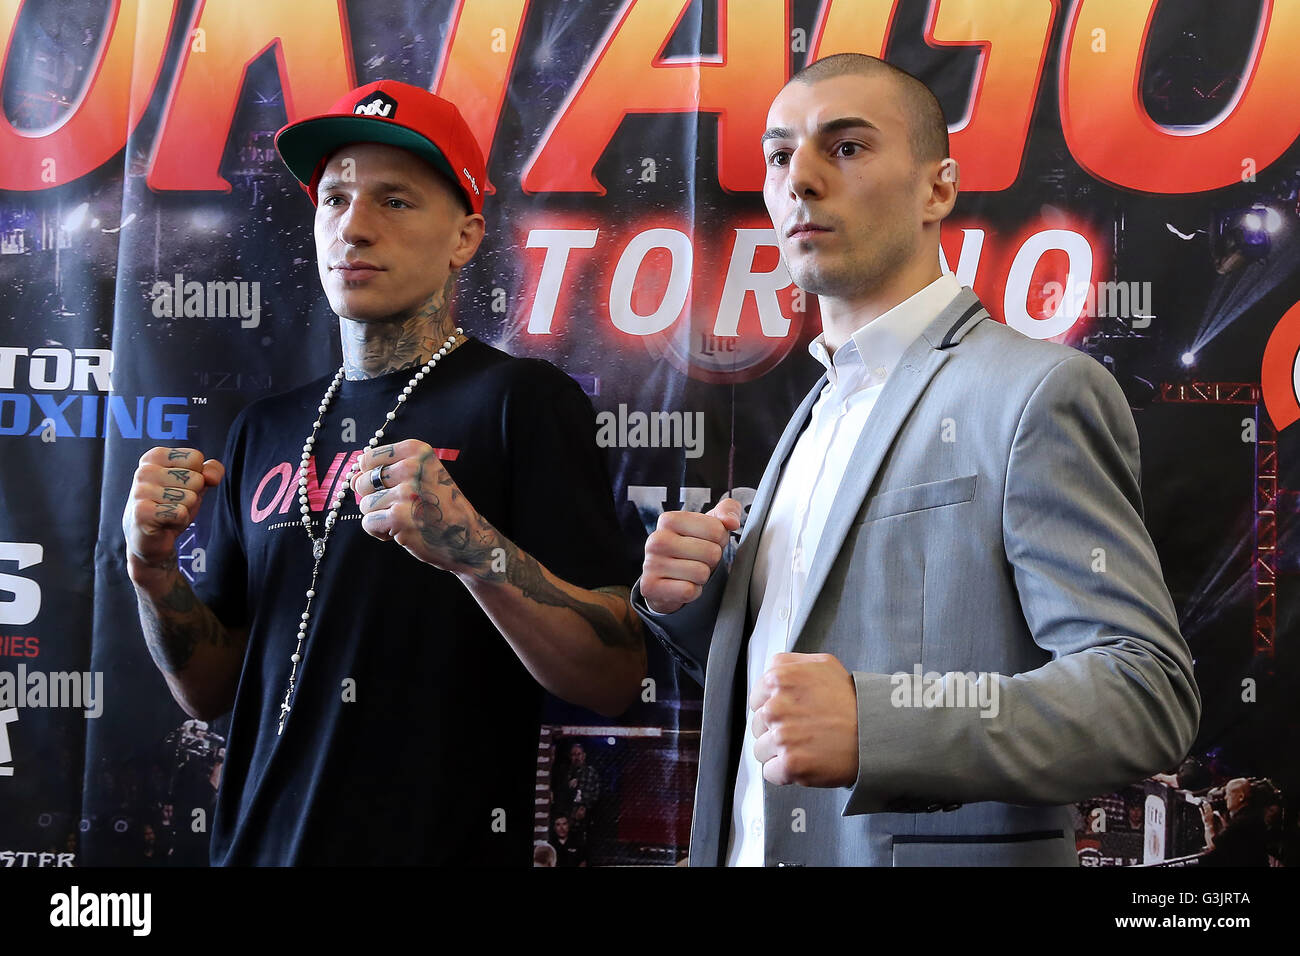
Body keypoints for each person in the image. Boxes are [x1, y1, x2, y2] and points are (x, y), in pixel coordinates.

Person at [632, 54, 1200, 866]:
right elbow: (794, 685)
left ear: (938, 189)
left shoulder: (1037, 390)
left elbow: (1147, 694)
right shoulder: (815, 411)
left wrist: (883, 723)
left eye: (848, 147)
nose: (802, 181)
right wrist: (700, 605)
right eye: (781, 155)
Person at [122, 80, 645, 865]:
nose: (354, 226)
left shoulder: (521, 402)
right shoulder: (265, 427)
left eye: (395, 201)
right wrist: (153, 571)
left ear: (464, 238)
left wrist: (474, 548)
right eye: (334, 198)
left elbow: (612, 673)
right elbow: (213, 691)